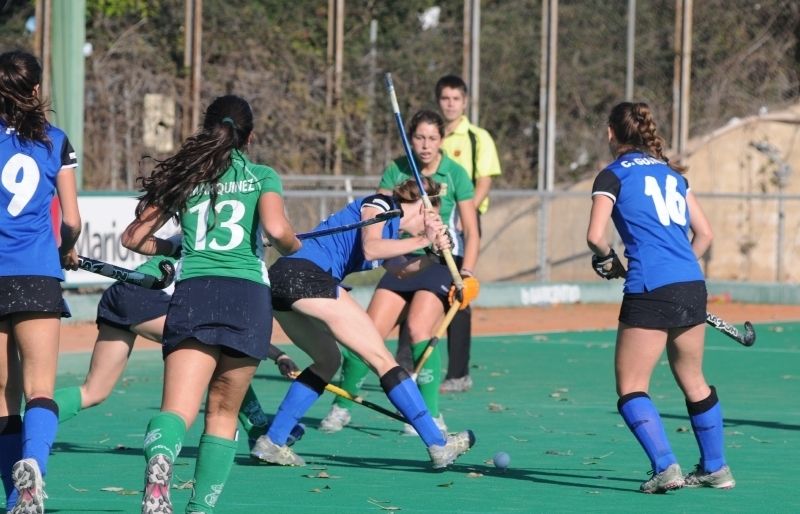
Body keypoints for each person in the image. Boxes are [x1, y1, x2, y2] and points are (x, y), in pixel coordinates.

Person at [121, 94, 302, 514]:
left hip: (195, 294)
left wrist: (173, 245)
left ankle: (161, 462)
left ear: (207, 130)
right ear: (249, 137)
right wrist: (294, 244)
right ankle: (199, 508)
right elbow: (277, 231)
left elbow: (132, 238)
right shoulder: (261, 175)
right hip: (247, 299)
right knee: (223, 415)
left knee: (177, 410)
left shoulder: (187, 176)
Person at [250, 178, 476, 469]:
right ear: (423, 207)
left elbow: (400, 269)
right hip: (306, 276)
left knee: (327, 361)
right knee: (382, 359)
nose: (435, 223)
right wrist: (424, 240)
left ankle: (273, 441)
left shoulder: (390, 231)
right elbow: (371, 248)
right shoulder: (381, 205)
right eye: (434, 216)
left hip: (283, 283)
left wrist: (431, 257)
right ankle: (438, 443)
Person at [587, 101, 734, 493]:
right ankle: (715, 468)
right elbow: (705, 235)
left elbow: (595, 236)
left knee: (631, 384)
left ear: (611, 134)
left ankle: (665, 466)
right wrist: (680, 265)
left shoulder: (612, 175)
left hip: (650, 286)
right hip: (691, 282)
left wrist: (606, 260)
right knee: (693, 379)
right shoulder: (673, 174)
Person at [319, 110, 480, 436]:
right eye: (419, 137)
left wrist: (466, 272)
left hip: (436, 263)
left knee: (420, 330)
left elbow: (472, 232)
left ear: (442, 140)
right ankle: (342, 407)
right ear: (411, 139)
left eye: (432, 138)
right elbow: (378, 219)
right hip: (399, 261)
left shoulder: (456, 175)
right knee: (364, 332)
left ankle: (429, 415)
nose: (425, 145)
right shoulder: (396, 169)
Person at [52, 254, 305, 449]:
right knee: (221, 353)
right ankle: (260, 433)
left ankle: (29, 424)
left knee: (93, 391)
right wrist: (279, 355)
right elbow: (232, 334)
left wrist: (278, 355)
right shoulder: (229, 263)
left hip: (122, 292)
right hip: (147, 296)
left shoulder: (196, 231)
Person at [0, 50, 82, 514]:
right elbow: (71, 220)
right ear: (35, 91)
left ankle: (15, 499)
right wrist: (66, 248)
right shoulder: (55, 140)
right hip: (36, 274)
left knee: (3, 396)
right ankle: (33, 469)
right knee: (41, 389)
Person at [435, 74, 502, 394]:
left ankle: (458, 373)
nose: (450, 104)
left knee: (458, 290)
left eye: (455, 99)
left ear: (465, 102)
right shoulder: (430, 136)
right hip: (430, 227)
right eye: (445, 99)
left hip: (462, 224)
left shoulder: (477, 137)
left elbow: (485, 178)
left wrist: (467, 213)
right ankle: (407, 364)